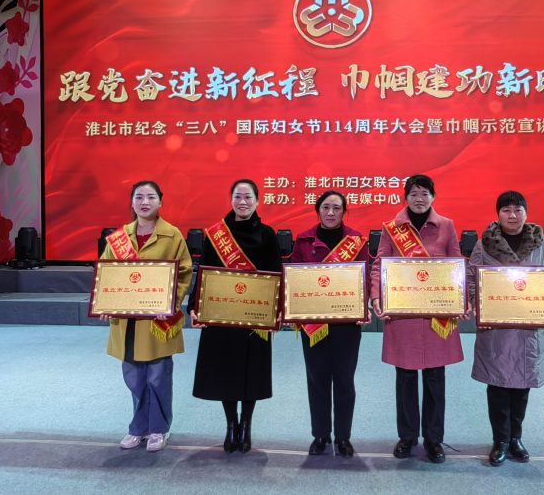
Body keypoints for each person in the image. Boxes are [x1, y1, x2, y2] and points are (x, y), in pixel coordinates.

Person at [370, 174, 464, 464]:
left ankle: (434, 440)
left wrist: (462, 299)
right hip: (404, 315)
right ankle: (408, 437)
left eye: (425, 193)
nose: (419, 199)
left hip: (436, 314)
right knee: (406, 379)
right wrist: (376, 296)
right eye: (414, 194)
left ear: (433, 197)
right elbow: (379, 265)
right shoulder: (391, 228)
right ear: (406, 197)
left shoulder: (446, 225)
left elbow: (457, 264)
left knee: (435, 379)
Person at [190, 179, 282, 453]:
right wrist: (195, 306)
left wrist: (276, 310)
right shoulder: (215, 234)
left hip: (255, 314)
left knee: (252, 372)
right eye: (238, 197)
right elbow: (203, 271)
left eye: (248, 197)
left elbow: (276, 274)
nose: (243, 202)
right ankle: (231, 424)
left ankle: (247, 424)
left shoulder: (267, 234)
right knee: (225, 371)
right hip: (222, 313)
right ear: (231, 200)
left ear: (257, 201)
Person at [100, 180, 193, 452]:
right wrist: (105, 302)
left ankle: (158, 429)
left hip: (157, 321)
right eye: (139, 197)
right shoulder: (119, 238)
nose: (144, 202)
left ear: (160, 202)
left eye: (151, 197)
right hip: (127, 321)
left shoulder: (172, 235)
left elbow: (184, 273)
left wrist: (170, 303)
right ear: (131, 202)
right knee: (134, 377)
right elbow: (107, 272)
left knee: (158, 376)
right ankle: (138, 428)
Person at [467, 190, 544, 467]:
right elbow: (472, 279)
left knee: (522, 385)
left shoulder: (542, 245)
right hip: (497, 327)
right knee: (498, 385)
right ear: (498, 215)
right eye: (506, 210)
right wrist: (476, 304)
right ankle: (500, 441)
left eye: (518, 210)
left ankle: (516, 438)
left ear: (526, 213)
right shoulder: (484, 244)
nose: (512, 215)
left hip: (528, 326)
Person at [291, 190, 370, 458]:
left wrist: (363, 305)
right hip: (314, 324)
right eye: (326, 207)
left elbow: (365, 277)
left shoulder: (356, 241)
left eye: (337, 208)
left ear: (344, 211)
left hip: (346, 323)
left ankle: (343, 437)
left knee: (345, 380)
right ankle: (321, 435)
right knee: (317, 380)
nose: (331, 212)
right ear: (318, 210)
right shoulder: (303, 240)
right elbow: (293, 278)